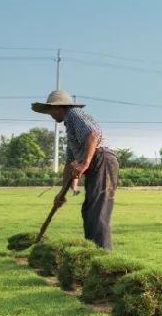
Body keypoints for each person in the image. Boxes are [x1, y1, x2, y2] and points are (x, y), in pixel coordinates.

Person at [31, 90, 118, 249]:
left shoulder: (74, 114)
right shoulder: (70, 127)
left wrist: (85, 163)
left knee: (97, 210)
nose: (50, 114)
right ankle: (93, 250)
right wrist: (61, 193)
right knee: (89, 210)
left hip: (102, 159)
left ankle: (102, 254)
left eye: (51, 109)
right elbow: (70, 163)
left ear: (59, 107)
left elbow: (92, 134)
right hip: (97, 162)